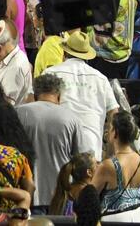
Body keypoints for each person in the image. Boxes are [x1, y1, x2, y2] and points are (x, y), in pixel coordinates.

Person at [45, 30, 121, 158]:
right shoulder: (101, 79)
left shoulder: (51, 73)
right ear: (86, 55)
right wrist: (110, 151)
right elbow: (114, 114)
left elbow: (38, 106)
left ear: (64, 52)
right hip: (92, 150)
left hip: (59, 149)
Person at [17, 73, 86, 214]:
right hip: (61, 196)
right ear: (59, 95)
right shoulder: (72, 118)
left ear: (36, 94)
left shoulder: (19, 113)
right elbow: (80, 160)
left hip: (27, 194)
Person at [90, 110, 140, 221]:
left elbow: (89, 197)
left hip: (116, 218)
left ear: (115, 133)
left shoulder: (108, 165)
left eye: (110, 128)